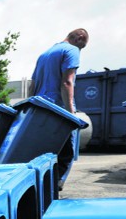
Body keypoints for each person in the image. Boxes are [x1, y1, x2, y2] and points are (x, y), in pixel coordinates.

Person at [28, 28, 89, 188]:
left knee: (45, 154)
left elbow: (32, 84)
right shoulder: (72, 50)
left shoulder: (45, 54)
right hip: (58, 110)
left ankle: (41, 189)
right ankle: (54, 190)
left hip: (41, 110)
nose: (80, 50)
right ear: (80, 38)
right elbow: (67, 81)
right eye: (83, 46)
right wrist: (71, 114)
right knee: (66, 154)